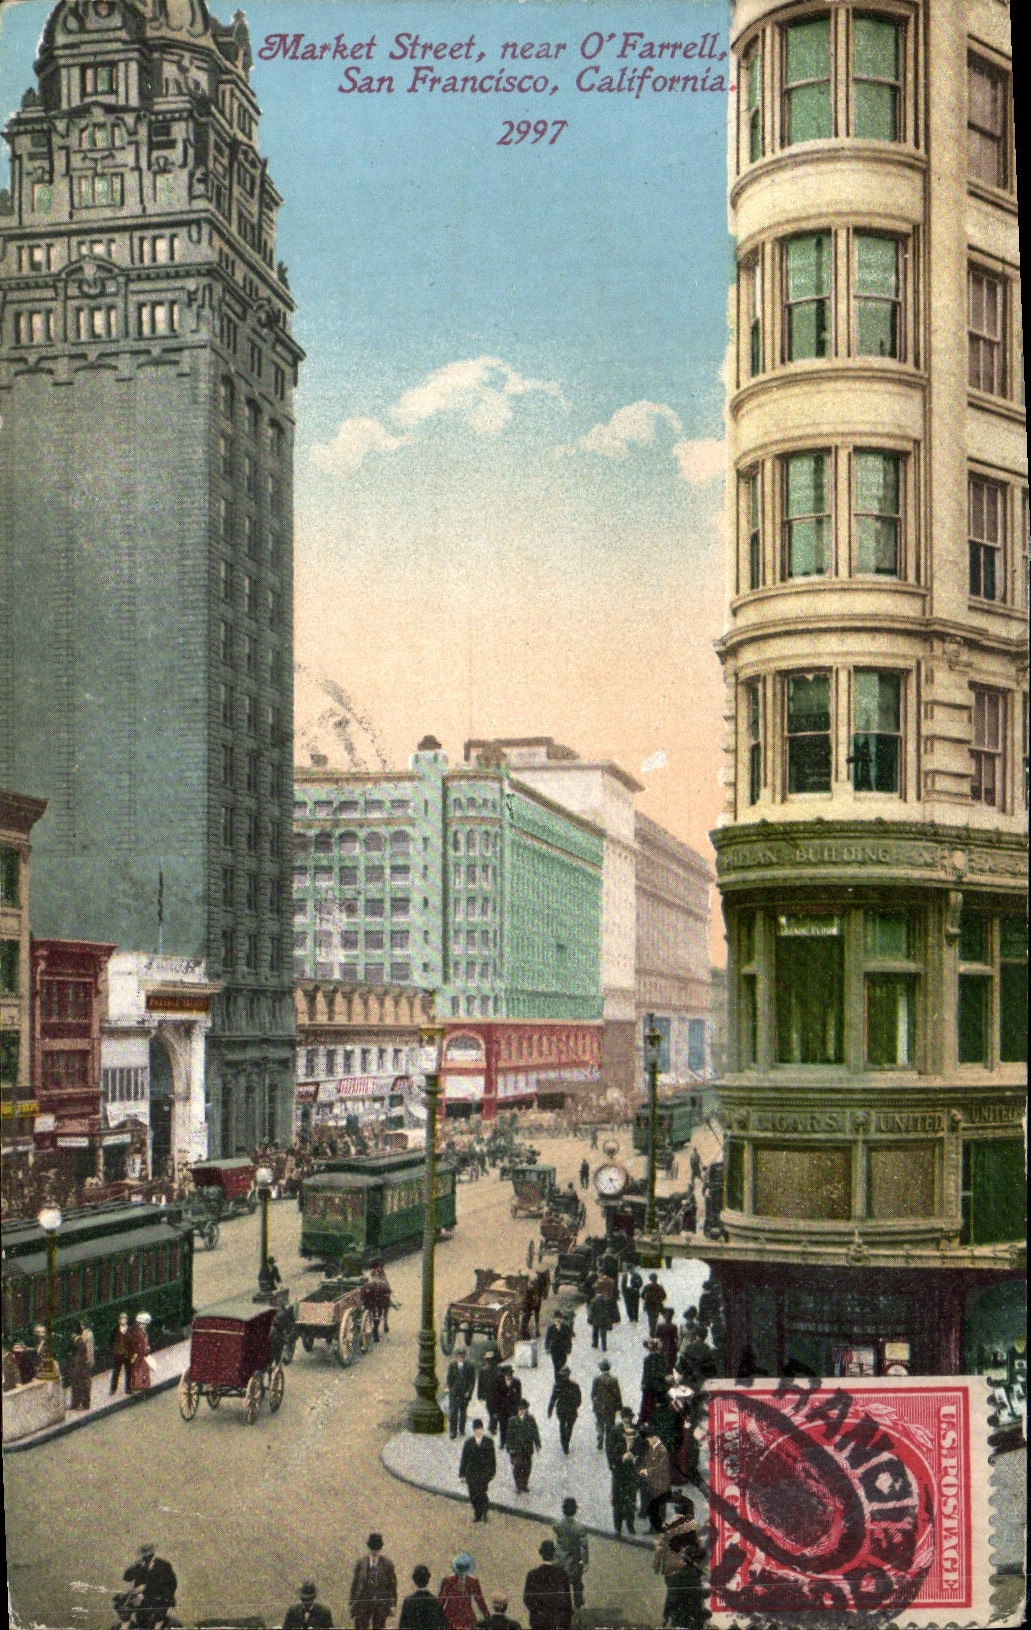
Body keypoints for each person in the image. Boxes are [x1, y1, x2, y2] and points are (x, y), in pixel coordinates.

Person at [653, 1502, 708, 1629]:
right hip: (688, 1570)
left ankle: (667, 1616)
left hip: (673, 1570)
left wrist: (657, 1565)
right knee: (692, 1596)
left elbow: (660, 1547)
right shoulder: (693, 1526)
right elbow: (700, 1548)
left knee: (673, 1593)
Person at [122, 1543, 177, 1629]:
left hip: (160, 1600)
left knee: (158, 1622)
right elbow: (126, 1577)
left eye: (147, 1555)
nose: (144, 1557)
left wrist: (146, 1587)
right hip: (144, 1601)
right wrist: (134, 1566)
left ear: (152, 1554)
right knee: (141, 1620)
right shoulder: (140, 1566)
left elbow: (172, 1584)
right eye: (143, 1555)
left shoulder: (163, 1565)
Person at [350, 1534, 398, 1630]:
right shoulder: (361, 1563)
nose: (375, 1552)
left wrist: (392, 1605)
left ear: (380, 1548)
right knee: (361, 1626)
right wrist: (352, 1603)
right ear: (369, 1548)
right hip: (364, 1602)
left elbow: (392, 1587)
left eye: (377, 1549)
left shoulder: (387, 1564)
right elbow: (355, 1585)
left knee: (379, 1626)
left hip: (380, 1604)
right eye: (373, 1549)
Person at [522, 1541, 573, 1630]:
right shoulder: (562, 1575)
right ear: (554, 1553)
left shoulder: (532, 1575)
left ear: (541, 1553)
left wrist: (539, 1613)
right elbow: (566, 1602)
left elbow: (527, 1599)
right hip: (556, 1623)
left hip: (538, 1623)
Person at [552, 1497, 589, 1611]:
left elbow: (557, 1542)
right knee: (577, 1583)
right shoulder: (580, 1528)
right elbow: (583, 1547)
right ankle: (578, 1602)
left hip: (560, 1559)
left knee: (562, 1583)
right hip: (574, 1561)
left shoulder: (557, 1525)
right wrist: (585, 1562)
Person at [459, 1417, 497, 1523]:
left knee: (482, 1493)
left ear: (482, 1429)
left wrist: (492, 1473)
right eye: (476, 1429)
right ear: (473, 1430)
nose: (478, 1431)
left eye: (480, 1429)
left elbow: (492, 1459)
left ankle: (484, 1511)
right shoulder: (468, 1443)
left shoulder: (488, 1442)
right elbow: (464, 1459)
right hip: (471, 1473)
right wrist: (462, 1475)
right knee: (473, 1495)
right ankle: (477, 1513)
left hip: (483, 1474)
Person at [437, 1553, 488, 1630]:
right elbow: (480, 1601)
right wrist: (487, 1616)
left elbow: (441, 1601)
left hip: (450, 1618)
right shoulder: (473, 1581)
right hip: (467, 1617)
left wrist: (435, 1617)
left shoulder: (448, 1580)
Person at [638, 1432, 673, 1532]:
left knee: (659, 1506)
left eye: (649, 1440)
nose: (648, 1442)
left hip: (661, 1484)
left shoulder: (662, 1450)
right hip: (654, 1482)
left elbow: (661, 1467)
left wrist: (647, 1471)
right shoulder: (653, 1448)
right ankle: (654, 1527)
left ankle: (658, 1528)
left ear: (655, 1437)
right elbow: (647, 1460)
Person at [505, 1397, 541, 1492]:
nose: (522, 1411)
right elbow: (509, 1435)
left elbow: (535, 1432)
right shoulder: (513, 1420)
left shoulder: (530, 1419)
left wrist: (537, 1444)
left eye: (524, 1409)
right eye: (520, 1409)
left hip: (527, 1448)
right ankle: (518, 1485)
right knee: (517, 1467)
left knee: (527, 1467)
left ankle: (524, 1484)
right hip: (516, 1449)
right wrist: (509, 1448)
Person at [546, 1365, 582, 1455]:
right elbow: (579, 1398)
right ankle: (566, 1442)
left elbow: (553, 1398)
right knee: (569, 1426)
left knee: (562, 1425)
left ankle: (564, 1442)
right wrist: (576, 1406)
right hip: (571, 1409)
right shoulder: (574, 1385)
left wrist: (550, 1410)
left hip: (561, 1409)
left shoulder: (558, 1385)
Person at [591, 1358, 623, 1449]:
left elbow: (593, 1394)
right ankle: (609, 1442)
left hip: (599, 1407)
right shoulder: (613, 1380)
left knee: (600, 1423)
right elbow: (617, 1394)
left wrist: (595, 1403)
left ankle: (600, 1438)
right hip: (611, 1407)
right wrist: (619, 1407)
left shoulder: (596, 1379)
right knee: (610, 1425)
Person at [447, 1347, 477, 1440]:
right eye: (459, 1355)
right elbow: (449, 1379)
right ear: (456, 1356)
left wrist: (469, 1392)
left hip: (465, 1393)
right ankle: (453, 1431)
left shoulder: (470, 1366)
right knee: (453, 1412)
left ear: (465, 1355)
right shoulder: (452, 1365)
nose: (461, 1357)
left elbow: (472, 1381)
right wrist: (451, 1389)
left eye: (462, 1355)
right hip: (454, 1393)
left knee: (463, 1411)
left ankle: (461, 1429)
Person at [492, 1365, 522, 1448]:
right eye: (507, 1374)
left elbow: (519, 1396)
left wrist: (518, 1408)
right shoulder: (498, 1382)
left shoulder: (517, 1382)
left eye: (510, 1373)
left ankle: (512, 1442)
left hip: (512, 1408)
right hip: (502, 1408)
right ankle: (503, 1442)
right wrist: (496, 1410)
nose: (509, 1375)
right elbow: (496, 1397)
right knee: (502, 1426)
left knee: (513, 1425)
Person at [362, 1264, 394, 1342]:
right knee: (382, 1309)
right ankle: (384, 1323)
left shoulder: (369, 1281)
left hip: (371, 1300)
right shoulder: (384, 1280)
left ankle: (375, 1326)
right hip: (381, 1297)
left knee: (374, 1310)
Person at [68, 1319, 94, 1410]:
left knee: (81, 1384)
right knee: (83, 1384)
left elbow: (89, 1350)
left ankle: (81, 1403)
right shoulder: (83, 1337)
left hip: (82, 1365)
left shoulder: (85, 1337)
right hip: (82, 1365)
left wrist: (89, 1360)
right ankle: (83, 1403)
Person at [477, 1349, 501, 1435]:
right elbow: (480, 1384)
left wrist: (480, 1395)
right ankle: (492, 1426)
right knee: (494, 1412)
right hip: (494, 1395)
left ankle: (492, 1427)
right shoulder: (497, 1369)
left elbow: (480, 1385)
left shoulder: (485, 1370)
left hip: (491, 1395)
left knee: (492, 1411)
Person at [587, 1287, 617, 1353]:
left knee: (595, 1332)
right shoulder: (607, 1300)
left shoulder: (593, 1300)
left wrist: (590, 1319)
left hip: (596, 1319)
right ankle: (604, 1346)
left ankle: (595, 1344)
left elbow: (591, 1311)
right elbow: (610, 1310)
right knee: (603, 1334)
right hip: (604, 1319)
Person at [129, 1313, 153, 1392]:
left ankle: (141, 1384)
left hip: (142, 1353)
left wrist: (146, 1347)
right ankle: (140, 1384)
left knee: (142, 1368)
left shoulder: (140, 1332)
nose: (145, 1326)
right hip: (139, 1354)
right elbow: (139, 1344)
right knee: (140, 1369)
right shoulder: (138, 1333)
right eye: (144, 1324)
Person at [544, 1313, 572, 1377]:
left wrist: (569, 1348)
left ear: (562, 1319)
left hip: (563, 1349)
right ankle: (557, 1380)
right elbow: (547, 1339)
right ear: (554, 1319)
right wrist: (546, 1348)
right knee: (556, 1366)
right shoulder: (551, 1328)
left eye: (559, 1318)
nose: (558, 1320)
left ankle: (563, 1379)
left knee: (562, 1364)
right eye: (556, 1318)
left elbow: (568, 1339)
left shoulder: (566, 1327)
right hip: (554, 1350)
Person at [110, 1313, 133, 1393]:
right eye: (122, 1319)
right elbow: (111, 1341)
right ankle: (113, 1389)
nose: (124, 1320)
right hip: (118, 1354)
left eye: (125, 1319)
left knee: (129, 1372)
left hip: (127, 1354)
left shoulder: (130, 1329)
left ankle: (128, 1388)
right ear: (119, 1320)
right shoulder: (115, 1330)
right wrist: (114, 1351)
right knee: (116, 1372)